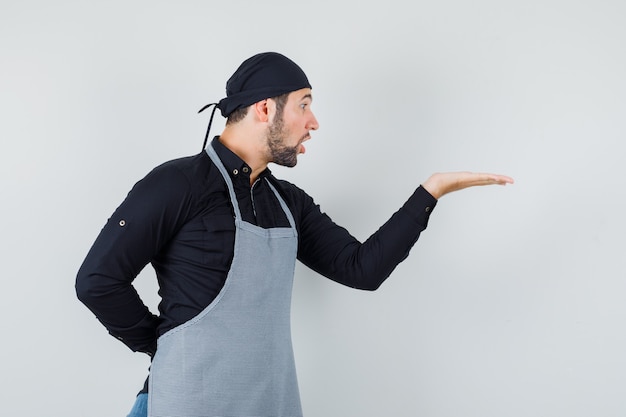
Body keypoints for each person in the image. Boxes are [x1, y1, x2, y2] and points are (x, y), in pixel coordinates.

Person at [75, 52, 513, 417]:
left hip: (272, 403)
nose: (314, 121)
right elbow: (97, 280)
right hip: (187, 400)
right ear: (266, 109)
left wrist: (430, 192)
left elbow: (363, 269)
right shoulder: (176, 185)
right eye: (304, 104)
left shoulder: (287, 203)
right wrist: (161, 344)